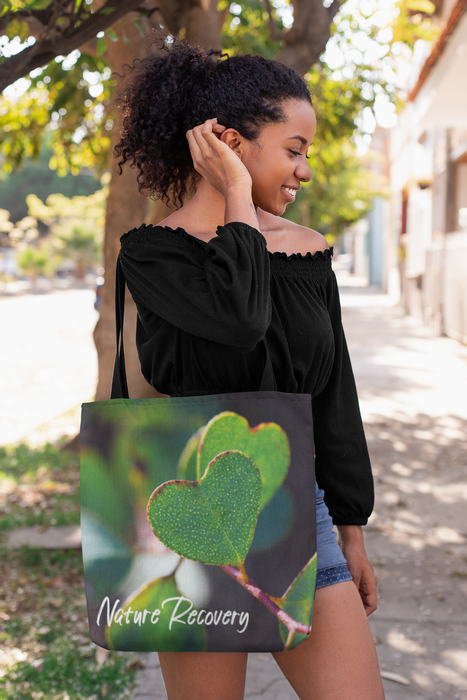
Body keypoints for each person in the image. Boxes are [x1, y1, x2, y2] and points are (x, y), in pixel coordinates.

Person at [113, 36, 385, 700]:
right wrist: (237, 195)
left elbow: (333, 395)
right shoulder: (154, 257)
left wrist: (350, 528)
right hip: (191, 520)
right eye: (292, 151)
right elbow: (238, 321)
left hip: (302, 509)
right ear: (228, 143)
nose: (305, 172)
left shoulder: (308, 253)